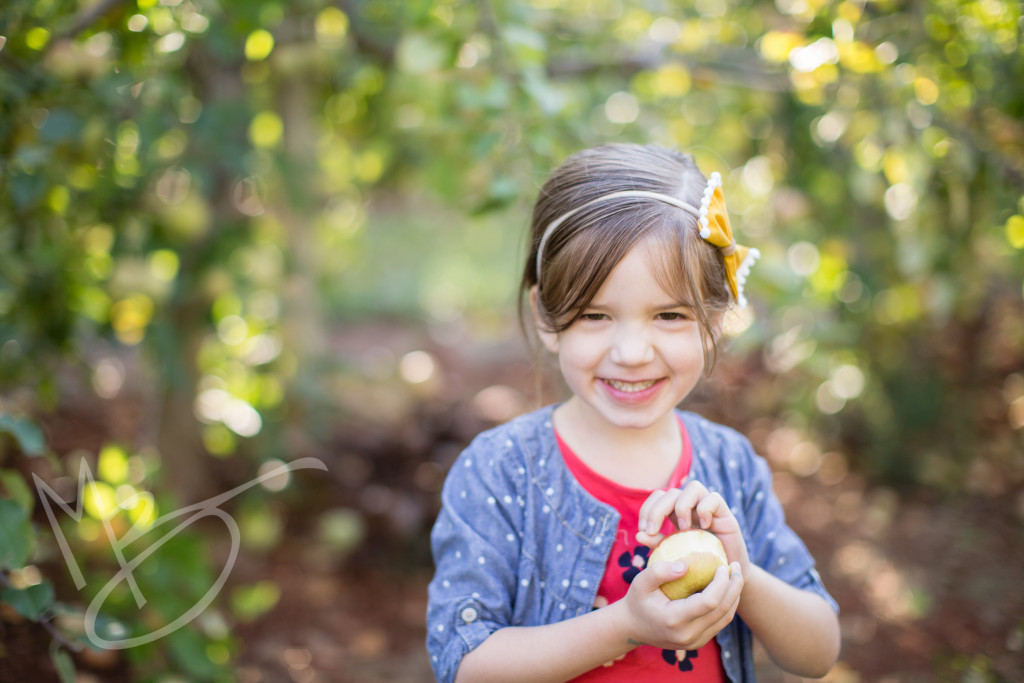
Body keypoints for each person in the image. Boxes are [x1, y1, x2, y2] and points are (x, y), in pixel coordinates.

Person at [426, 143, 840, 682]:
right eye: (595, 315)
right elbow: (464, 665)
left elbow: (819, 650)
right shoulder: (502, 471)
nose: (631, 352)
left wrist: (740, 572)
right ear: (546, 318)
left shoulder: (730, 465)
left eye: (668, 314)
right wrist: (624, 624)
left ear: (714, 321)